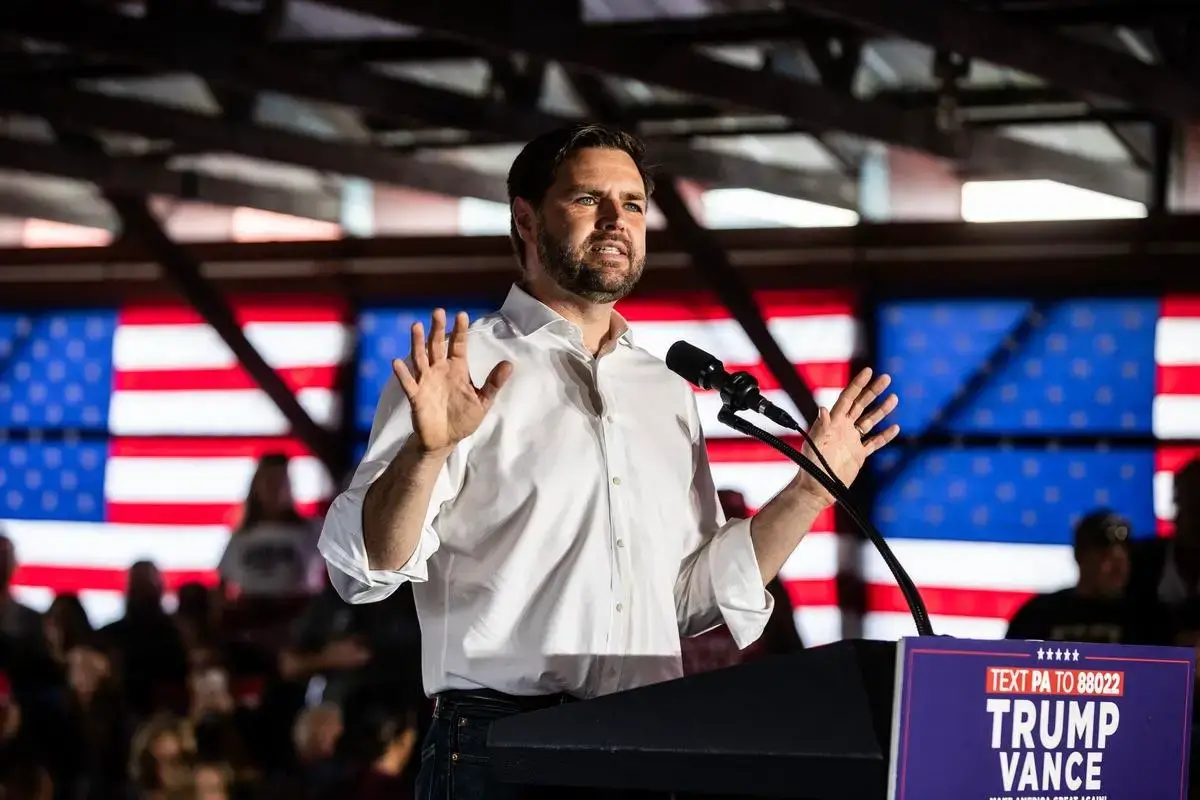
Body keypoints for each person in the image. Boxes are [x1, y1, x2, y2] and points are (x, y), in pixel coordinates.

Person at [318, 124, 901, 799]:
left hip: (645, 742)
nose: (615, 221)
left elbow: (687, 599)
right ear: (525, 219)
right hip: (501, 749)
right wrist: (427, 452)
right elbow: (367, 569)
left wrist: (810, 490)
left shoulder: (663, 390)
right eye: (588, 199)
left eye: (631, 203)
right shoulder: (460, 369)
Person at [1005, 510, 1172, 645]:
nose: (1116, 567)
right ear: (1079, 555)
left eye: (1122, 558)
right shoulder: (1038, 615)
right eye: (1105, 556)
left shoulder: (1147, 619)